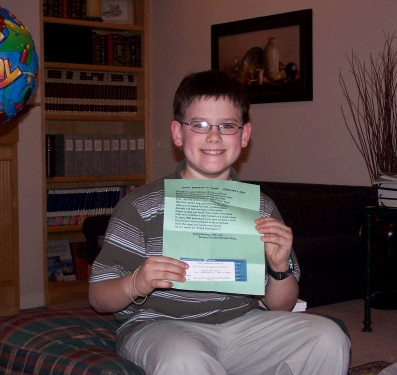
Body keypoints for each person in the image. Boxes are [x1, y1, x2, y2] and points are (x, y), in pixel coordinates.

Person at [88, 70, 350, 375]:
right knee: (184, 359)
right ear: (178, 133)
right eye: (199, 125)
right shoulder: (141, 206)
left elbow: (281, 305)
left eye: (227, 126)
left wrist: (280, 268)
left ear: (244, 135)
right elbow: (98, 296)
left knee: (328, 336)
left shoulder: (260, 208)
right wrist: (137, 281)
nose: (214, 137)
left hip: (243, 325)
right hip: (160, 327)